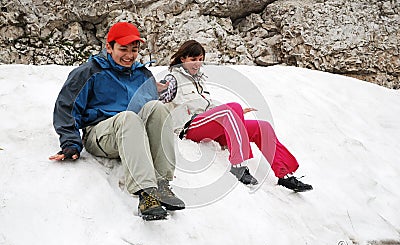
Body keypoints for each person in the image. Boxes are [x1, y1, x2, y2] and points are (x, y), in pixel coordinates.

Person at [49, 22, 185, 221]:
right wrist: (70, 142)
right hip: (101, 134)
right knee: (128, 117)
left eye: (134, 50)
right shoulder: (90, 71)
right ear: (109, 47)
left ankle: (162, 184)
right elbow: (67, 107)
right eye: (123, 49)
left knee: (158, 108)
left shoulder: (142, 74)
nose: (129, 55)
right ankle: (146, 194)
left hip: (132, 134)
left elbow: (151, 113)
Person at [159, 40, 313, 192]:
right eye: (193, 60)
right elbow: (162, 92)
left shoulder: (200, 82)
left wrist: (236, 114)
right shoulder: (174, 79)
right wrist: (157, 90)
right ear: (182, 59)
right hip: (190, 128)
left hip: (208, 126)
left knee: (262, 127)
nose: (197, 64)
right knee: (232, 108)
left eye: (200, 60)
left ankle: (284, 174)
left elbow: (207, 107)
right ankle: (238, 165)